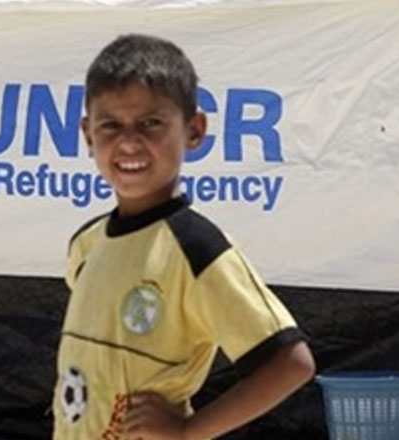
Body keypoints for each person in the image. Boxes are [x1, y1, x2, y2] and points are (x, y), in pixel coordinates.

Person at [54, 34, 315, 440]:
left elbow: (290, 363)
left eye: (151, 124)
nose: (129, 141)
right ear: (88, 135)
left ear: (194, 129)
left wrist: (189, 431)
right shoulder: (88, 244)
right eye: (110, 125)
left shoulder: (196, 250)